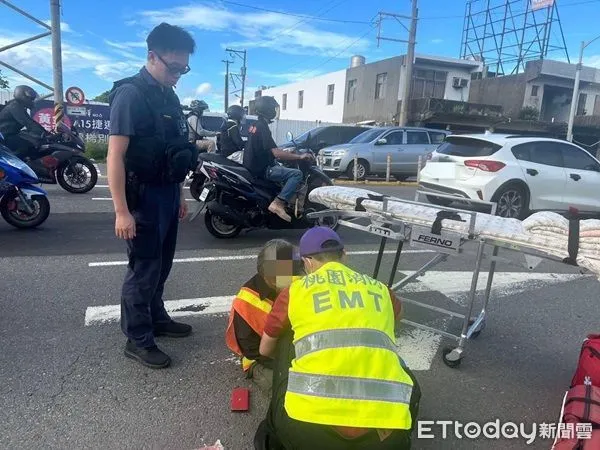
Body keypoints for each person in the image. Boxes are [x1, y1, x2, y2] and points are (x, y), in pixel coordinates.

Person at [256, 227, 421, 450]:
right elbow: (398, 318)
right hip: (386, 437)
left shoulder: (294, 291)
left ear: (307, 262)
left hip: (307, 431)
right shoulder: (380, 289)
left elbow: (265, 350)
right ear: (345, 255)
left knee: (286, 336)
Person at [106, 22, 198, 369]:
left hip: (166, 193)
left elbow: (172, 150)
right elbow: (115, 156)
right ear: (151, 56)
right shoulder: (131, 95)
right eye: (173, 67)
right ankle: (138, 338)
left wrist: (180, 195)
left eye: (184, 69)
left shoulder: (168, 96)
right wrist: (121, 211)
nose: (178, 74)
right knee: (143, 268)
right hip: (141, 197)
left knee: (162, 265)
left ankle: (157, 317)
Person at [225, 239, 303, 394]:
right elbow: (252, 351)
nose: (288, 280)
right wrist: (289, 365)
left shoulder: (299, 280)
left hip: (294, 345)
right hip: (263, 358)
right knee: (289, 390)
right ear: (265, 276)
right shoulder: (246, 302)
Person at [243, 96, 313, 223]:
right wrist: (299, 156)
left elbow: (269, 148)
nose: (275, 111)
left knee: (282, 168)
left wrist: (287, 152)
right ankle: (278, 203)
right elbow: (276, 153)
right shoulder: (262, 127)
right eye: (273, 108)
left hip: (253, 166)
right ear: (267, 109)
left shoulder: (255, 125)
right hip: (263, 169)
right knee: (296, 174)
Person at [0, 85, 47, 158]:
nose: (32, 101)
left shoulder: (19, 107)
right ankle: (20, 168)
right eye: (31, 99)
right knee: (27, 146)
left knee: (33, 143)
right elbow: (28, 123)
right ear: (22, 96)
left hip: (11, 135)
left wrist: (46, 132)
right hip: (5, 137)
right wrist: (46, 134)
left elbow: (31, 122)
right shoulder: (14, 106)